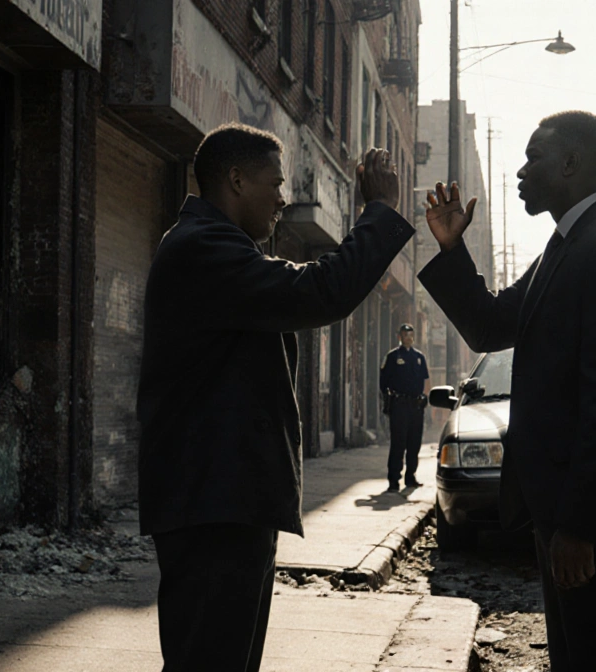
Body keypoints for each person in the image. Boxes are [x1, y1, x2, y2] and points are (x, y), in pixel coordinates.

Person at [136, 123, 413, 672]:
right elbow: (320, 290)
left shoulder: (217, 248)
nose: (284, 199)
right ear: (236, 180)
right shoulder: (203, 249)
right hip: (215, 506)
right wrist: (377, 213)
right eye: (276, 183)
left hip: (227, 502)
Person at [418, 111, 596, 671]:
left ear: (570, 163)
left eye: (534, 157)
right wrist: (450, 249)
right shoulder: (566, 247)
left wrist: (580, 527)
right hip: (563, 510)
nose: (521, 170)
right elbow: (488, 324)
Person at [379, 324, 429, 492]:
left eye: (410, 334)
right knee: (398, 443)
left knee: (414, 443)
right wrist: (388, 400)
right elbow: (383, 382)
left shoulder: (419, 357)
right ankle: (394, 480)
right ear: (399, 336)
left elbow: (425, 381)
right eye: (405, 334)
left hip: (415, 406)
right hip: (399, 405)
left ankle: (411, 477)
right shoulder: (393, 356)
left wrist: (425, 399)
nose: (408, 337)